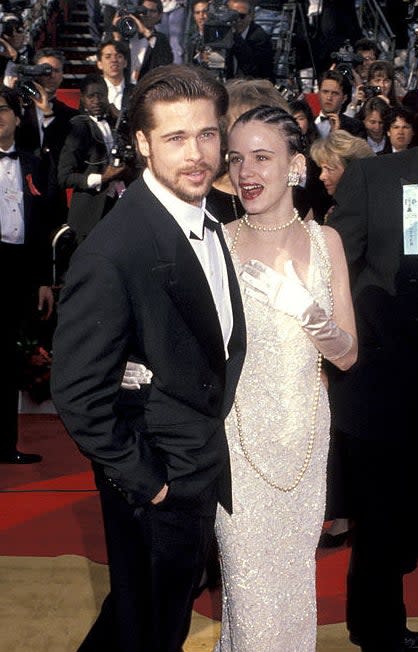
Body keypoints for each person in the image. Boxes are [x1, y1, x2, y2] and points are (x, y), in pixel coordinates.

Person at [51, 64, 246, 652]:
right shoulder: (115, 249)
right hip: (158, 482)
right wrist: (149, 482)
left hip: (197, 465)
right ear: (140, 144)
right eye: (176, 138)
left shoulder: (211, 214)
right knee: (152, 630)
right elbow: (79, 393)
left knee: (143, 617)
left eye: (207, 134)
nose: (197, 154)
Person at [214, 105, 357, 651]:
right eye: (237, 159)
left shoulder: (327, 243)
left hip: (304, 443)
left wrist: (305, 308)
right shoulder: (216, 244)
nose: (247, 172)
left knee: (293, 589)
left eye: (262, 157)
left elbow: (347, 355)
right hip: (238, 448)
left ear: (296, 164)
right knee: (249, 595)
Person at [328, 147, 418, 652]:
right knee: (385, 522)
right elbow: (333, 264)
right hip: (388, 384)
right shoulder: (376, 176)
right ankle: (378, 630)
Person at [0, 86, 54, 464]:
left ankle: (5, 445)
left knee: (8, 360)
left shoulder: (34, 164)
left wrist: (43, 281)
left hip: (19, 271)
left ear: (18, 118)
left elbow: (42, 229)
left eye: (3, 109)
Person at [58, 73, 134, 244]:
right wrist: (102, 177)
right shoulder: (77, 127)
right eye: (91, 96)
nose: (97, 101)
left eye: (101, 95)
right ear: (83, 99)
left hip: (119, 206)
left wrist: (122, 119)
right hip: (89, 215)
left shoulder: (117, 123)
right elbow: (64, 178)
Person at [113, 0, 173, 83]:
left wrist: (146, 32)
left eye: (152, 11)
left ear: (160, 16)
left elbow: (165, 63)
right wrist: (116, 33)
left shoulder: (161, 40)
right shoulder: (124, 36)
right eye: (143, 10)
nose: (147, 14)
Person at [225, 0, 275, 82]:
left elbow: (253, 70)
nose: (237, 20)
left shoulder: (260, 37)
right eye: (233, 15)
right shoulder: (224, 31)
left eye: (241, 16)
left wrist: (237, 37)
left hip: (254, 85)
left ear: (251, 16)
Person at [315, 69, 366, 139]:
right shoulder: (307, 122)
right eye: (325, 92)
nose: (329, 97)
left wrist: (336, 135)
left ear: (344, 98)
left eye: (335, 93)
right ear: (319, 94)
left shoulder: (355, 127)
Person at [96, 39, 135, 114]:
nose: (114, 60)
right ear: (99, 64)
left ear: (125, 62)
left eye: (119, 56)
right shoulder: (93, 92)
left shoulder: (135, 91)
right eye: (108, 57)